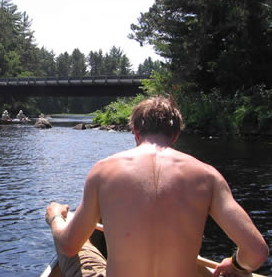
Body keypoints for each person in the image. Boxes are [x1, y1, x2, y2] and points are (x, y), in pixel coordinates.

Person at [45, 96, 268, 277]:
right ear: (176, 135)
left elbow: (69, 246)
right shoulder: (208, 176)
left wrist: (55, 218)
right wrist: (235, 264)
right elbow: (257, 253)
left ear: (135, 131)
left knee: (73, 238)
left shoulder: (103, 171)